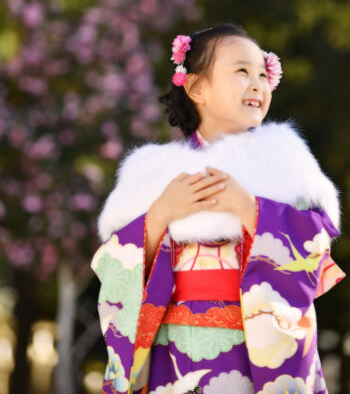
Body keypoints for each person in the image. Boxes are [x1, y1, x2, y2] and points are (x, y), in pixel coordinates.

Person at [90, 23, 346, 394]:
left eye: (263, 73)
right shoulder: (152, 174)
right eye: (242, 71)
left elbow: (316, 250)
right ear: (196, 87)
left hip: (256, 345)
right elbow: (114, 269)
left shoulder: (288, 165)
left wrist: (249, 207)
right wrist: (160, 214)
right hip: (171, 347)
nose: (257, 83)